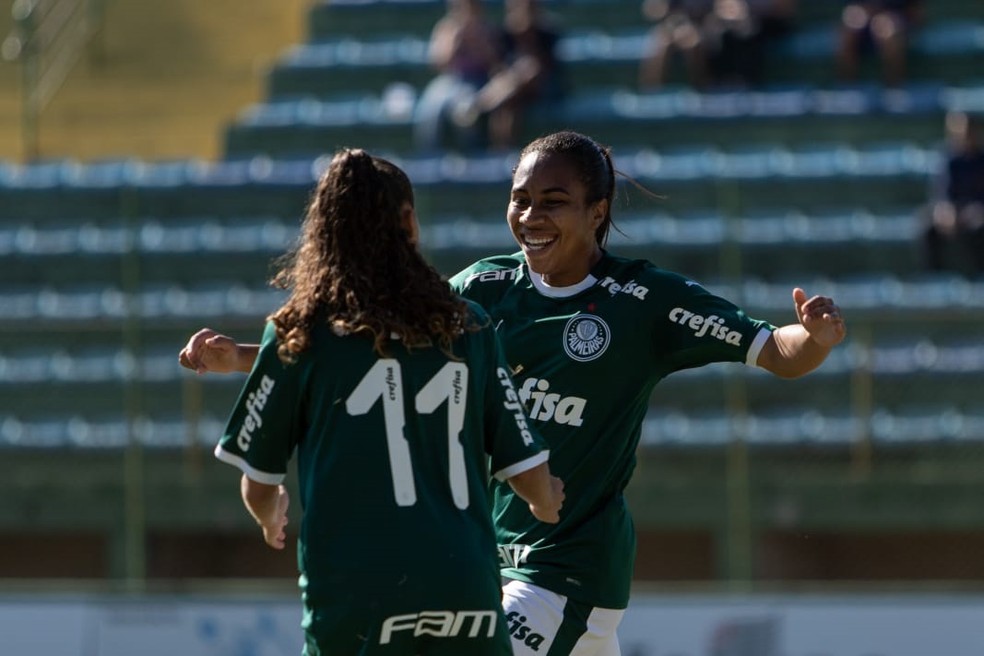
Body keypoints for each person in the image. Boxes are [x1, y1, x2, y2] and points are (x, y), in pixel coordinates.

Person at [181, 131, 847, 655]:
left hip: (567, 569)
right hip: (484, 562)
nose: (529, 216)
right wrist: (240, 358)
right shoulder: (481, 290)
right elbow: (361, 348)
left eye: (552, 202)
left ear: (598, 212)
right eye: (520, 198)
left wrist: (813, 339)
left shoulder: (645, 301)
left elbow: (775, 353)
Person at [180, 148, 564, 655]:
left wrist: (269, 515)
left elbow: (258, 482)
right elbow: (525, 467)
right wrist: (545, 499)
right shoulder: (468, 323)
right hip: (464, 588)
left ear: (324, 233)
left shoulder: (298, 334)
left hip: (357, 594)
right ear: (408, 221)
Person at [454, 0, 566, 150]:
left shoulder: (547, 31)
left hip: (544, 87)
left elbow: (544, 67)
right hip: (513, 92)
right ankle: (502, 149)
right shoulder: (506, 34)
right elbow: (499, 67)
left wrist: (527, 34)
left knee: (528, 72)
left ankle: (480, 106)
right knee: (509, 104)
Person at [412, 0, 504, 153]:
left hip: (477, 81)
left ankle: (471, 156)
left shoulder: (488, 29)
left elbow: (496, 65)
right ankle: (429, 156)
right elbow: (438, 63)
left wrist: (478, 42)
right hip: (449, 80)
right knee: (430, 110)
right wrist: (455, 41)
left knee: (465, 112)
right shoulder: (446, 28)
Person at [922, 111, 984, 276]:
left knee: (979, 228)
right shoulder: (948, 159)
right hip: (954, 211)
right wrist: (945, 210)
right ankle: (934, 275)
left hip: (977, 212)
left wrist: (977, 210)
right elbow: (941, 192)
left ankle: (978, 274)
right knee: (927, 227)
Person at [835, 0, 924, 88]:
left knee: (887, 30)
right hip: (864, 15)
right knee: (850, 27)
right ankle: (847, 86)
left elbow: (914, 11)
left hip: (896, 18)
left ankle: (894, 87)